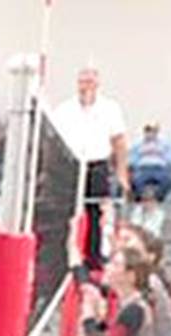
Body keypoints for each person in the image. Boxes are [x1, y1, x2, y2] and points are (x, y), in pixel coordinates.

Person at [52, 65, 129, 268]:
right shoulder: (64, 109)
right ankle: (64, 254)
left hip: (97, 164)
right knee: (65, 212)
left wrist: (122, 172)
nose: (85, 86)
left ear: (97, 84)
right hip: (71, 165)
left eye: (90, 82)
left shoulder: (110, 108)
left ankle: (92, 256)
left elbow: (119, 141)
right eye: (82, 82)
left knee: (95, 212)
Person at [130, 122, 171, 201]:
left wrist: (169, 166)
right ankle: (142, 199)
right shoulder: (138, 144)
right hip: (143, 169)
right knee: (135, 181)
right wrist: (133, 168)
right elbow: (132, 159)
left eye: (153, 131)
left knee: (169, 181)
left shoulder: (165, 143)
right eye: (148, 130)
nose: (150, 133)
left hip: (159, 169)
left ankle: (158, 198)